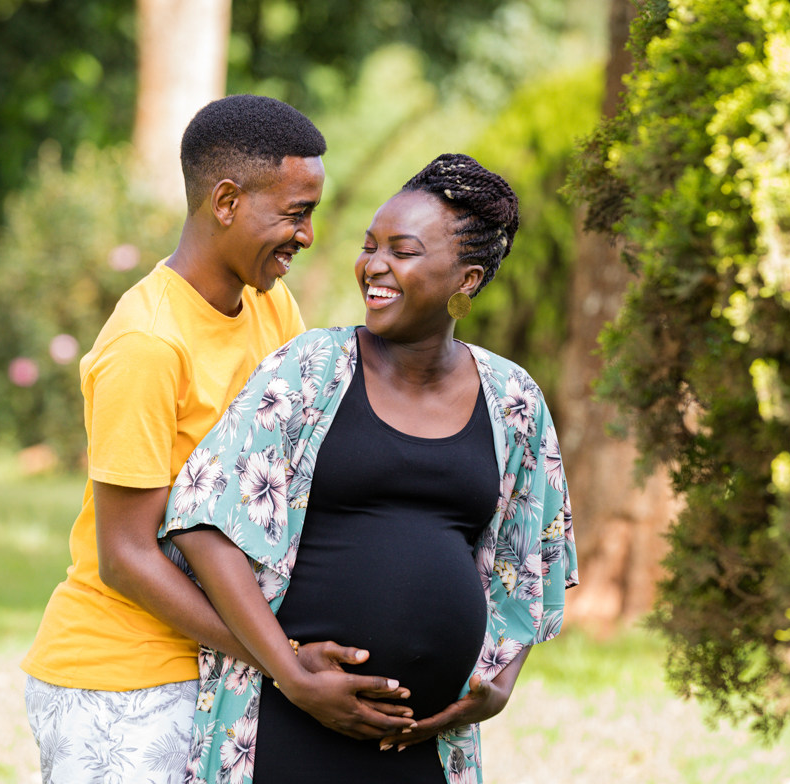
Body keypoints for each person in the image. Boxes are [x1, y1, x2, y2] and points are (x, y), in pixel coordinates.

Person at [21, 95, 414, 784]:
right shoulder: (148, 344)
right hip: (123, 684)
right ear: (226, 200)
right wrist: (284, 663)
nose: (309, 235)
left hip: (226, 670)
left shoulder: (271, 304)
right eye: (295, 213)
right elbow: (125, 555)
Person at [160, 153, 579, 784]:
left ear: (467, 278)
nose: (374, 266)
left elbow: (532, 561)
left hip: (424, 743)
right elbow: (201, 519)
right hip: (288, 720)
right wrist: (291, 672)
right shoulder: (308, 369)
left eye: (402, 251)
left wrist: (498, 685)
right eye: (370, 245)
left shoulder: (513, 399)